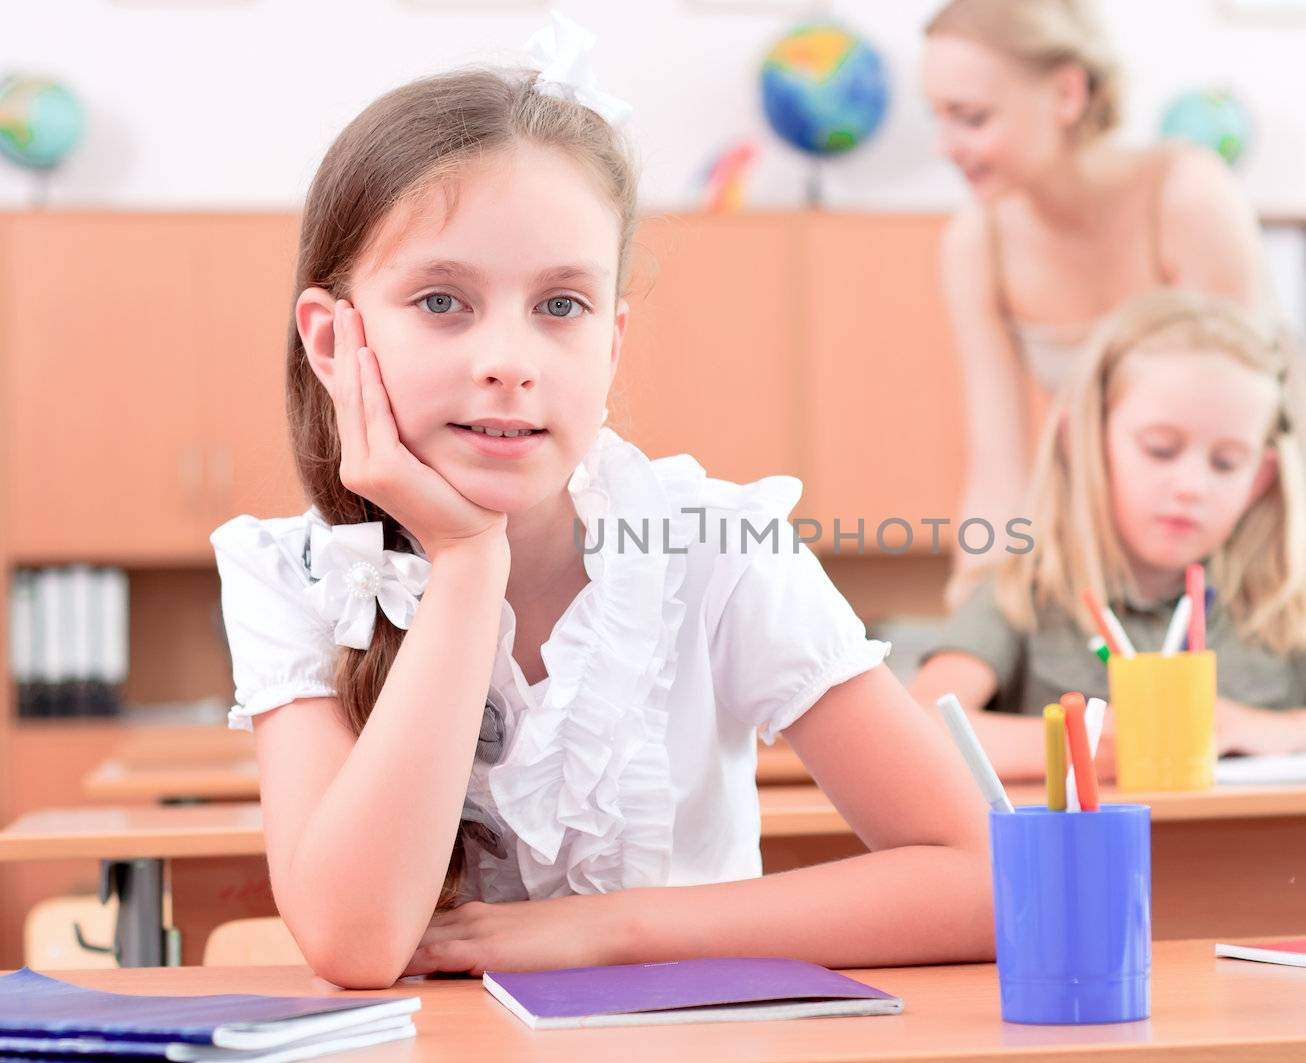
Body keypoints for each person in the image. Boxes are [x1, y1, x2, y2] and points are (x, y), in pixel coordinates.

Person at [209, 37, 990, 991]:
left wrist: (610, 929)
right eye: (443, 300)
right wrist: (465, 566)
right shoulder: (289, 573)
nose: (510, 358)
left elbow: (982, 880)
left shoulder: (712, 542)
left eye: (562, 304)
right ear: (333, 339)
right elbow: (356, 941)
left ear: (612, 342)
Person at [909, 291, 1306, 780]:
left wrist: (1275, 732)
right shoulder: (1025, 595)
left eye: (1226, 463)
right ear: (1085, 444)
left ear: (1259, 480)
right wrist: (1105, 745)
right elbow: (921, 731)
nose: (1192, 485)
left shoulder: (1273, 615)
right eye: (1161, 449)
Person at [919, 0, 1306, 604]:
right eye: (936, 117)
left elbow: (1232, 447)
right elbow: (998, 474)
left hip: (1246, 523)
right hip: (1116, 526)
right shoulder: (975, 242)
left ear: (1067, 93)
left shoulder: (1187, 197)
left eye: (970, 117)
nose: (943, 146)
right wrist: (976, 612)